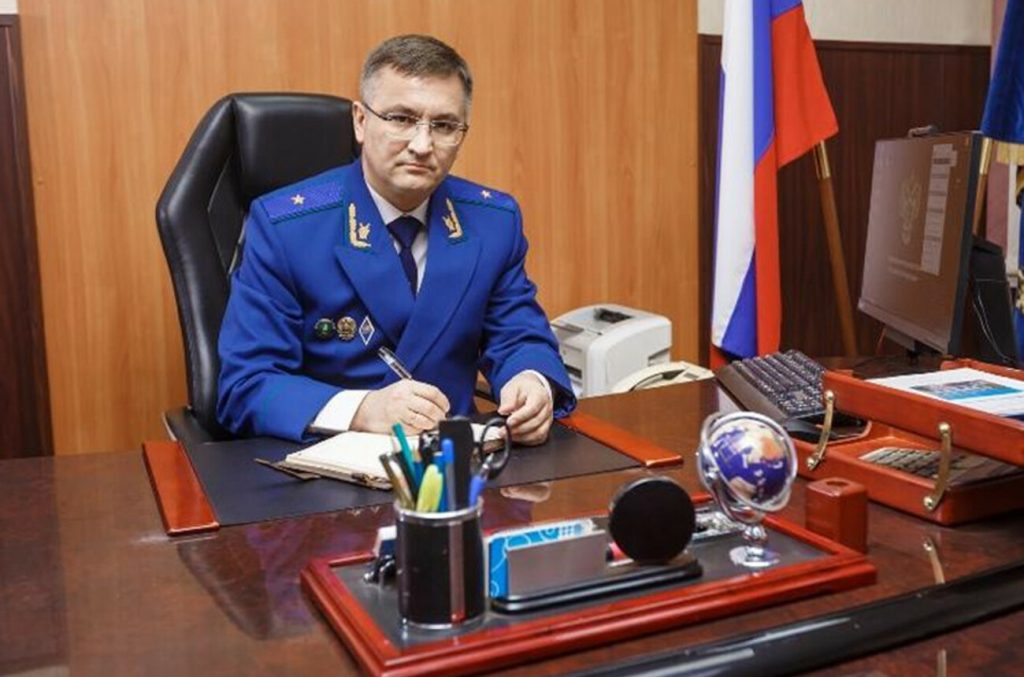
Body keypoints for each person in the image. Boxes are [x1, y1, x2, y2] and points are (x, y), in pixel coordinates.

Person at [217, 34, 575, 444]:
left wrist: (531, 381)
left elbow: (519, 335)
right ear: (360, 121)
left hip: (455, 460)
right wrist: (361, 410)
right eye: (402, 119)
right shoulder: (286, 227)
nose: (422, 145)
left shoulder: (492, 221)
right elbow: (246, 385)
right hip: (327, 461)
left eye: (444, 126)